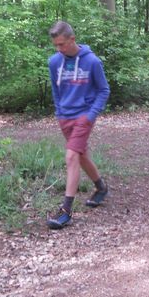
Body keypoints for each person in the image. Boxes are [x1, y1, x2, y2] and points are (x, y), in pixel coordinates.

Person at [46, 21, 111, 230]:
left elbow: (103, 90)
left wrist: (90, 115)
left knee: (71, 156)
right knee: (81, 156)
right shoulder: (54, 62)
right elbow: (56, 91)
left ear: (72, 39)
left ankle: (66, 210)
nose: (59, 49)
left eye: (62, 44)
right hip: (65, 117)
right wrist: (59, 112)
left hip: (83, 116)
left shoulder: (92, 62)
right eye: (56, 45)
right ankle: (101, 187)